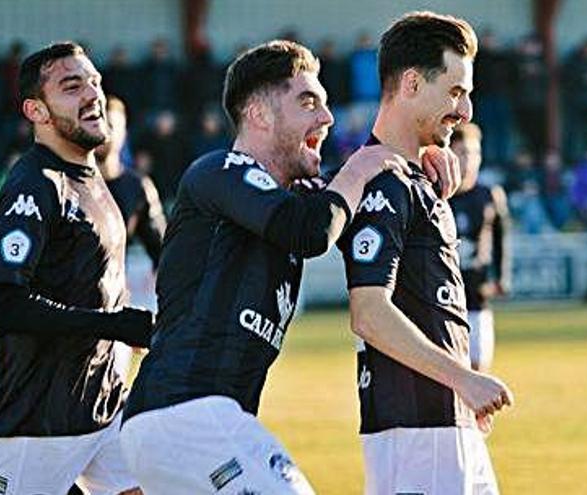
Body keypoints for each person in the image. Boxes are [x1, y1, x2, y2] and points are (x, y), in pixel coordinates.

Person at [119, 39, 458, 494]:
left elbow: (346, 206)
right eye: (307, 101)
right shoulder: (219, 171)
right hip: (187, 413)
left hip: (196, 422)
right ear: (258, 115)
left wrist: (419, 157)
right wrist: (361, 167)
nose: (327, 117)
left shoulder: (297, 197)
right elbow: (312, 231)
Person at [336, 12, 514, 495]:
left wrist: (462, 392)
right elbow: (369, 313)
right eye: (455, 92)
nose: (466, 111)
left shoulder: (416, 178)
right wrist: (465, 380)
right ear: (412, 83)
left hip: (446, 421)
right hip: (416, 428)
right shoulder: (383, 183)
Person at [0, 42, 152, 495]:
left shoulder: (95, 181)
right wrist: (114, 325)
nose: (92, 94)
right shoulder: (34, 184)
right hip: (38, 418)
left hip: (103, 404)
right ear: (36, 110)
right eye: (72, 86)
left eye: (94, 81)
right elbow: (2, 302)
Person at [449, 123, 512, 372]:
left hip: (478, 295)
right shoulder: (436, 194)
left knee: (478, 372)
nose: (469, 160)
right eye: (462, 152)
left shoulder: (490, 195)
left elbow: (501, 240)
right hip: (445, 297)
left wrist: (501, 277)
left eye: (475, 153)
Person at [96, 95, 167, 269]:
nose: (103, 132)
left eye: (111, 126)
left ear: (124, 133)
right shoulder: (64, 183)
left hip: (113, 292)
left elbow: (163, 254)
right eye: (96, 123)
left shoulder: (138, 187)